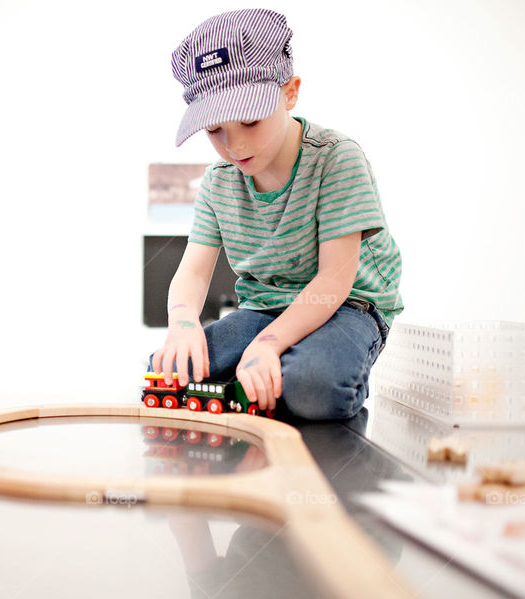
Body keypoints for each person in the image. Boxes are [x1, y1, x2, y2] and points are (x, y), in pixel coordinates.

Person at [150, 9, 403, 420]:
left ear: (290, 93)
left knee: (312, 387)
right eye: (215, 130)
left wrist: (267, 345)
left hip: (347, 306)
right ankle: (271, 382)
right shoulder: (219, 182)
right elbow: (194, 273)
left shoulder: (338, 160)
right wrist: (182, 322)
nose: (233, 145)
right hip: (264, 306)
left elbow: (334, 282)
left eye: (250, 120)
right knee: (172, 375)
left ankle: (291, 377)